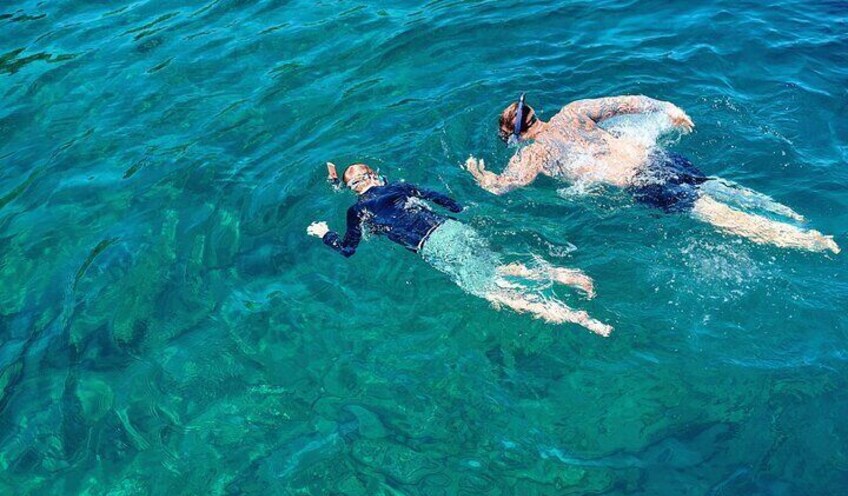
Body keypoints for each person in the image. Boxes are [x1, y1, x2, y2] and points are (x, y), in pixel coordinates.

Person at [465, 94, 840, 254]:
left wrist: (480, 176)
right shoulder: (574, 111)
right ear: (534, 112)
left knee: (714, 215)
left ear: (515, 136)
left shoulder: (535, 154)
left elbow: (504, 187)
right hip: (657, 157)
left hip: (640, 182)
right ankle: (791, 215)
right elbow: (628, 103)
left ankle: (805, 241)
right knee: (717, 187)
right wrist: (669, 109)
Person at [307, 162, 613, 336]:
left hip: (435, 247)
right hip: (453, 229)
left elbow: (348, 248)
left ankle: (577, 318)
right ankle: (566, 276)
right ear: (374, 176)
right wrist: (460, 209)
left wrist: (324, 234)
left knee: (495, 293)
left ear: (353, 188)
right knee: (498, 268)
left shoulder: (357, 211)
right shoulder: (397, 187)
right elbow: (438, 198)